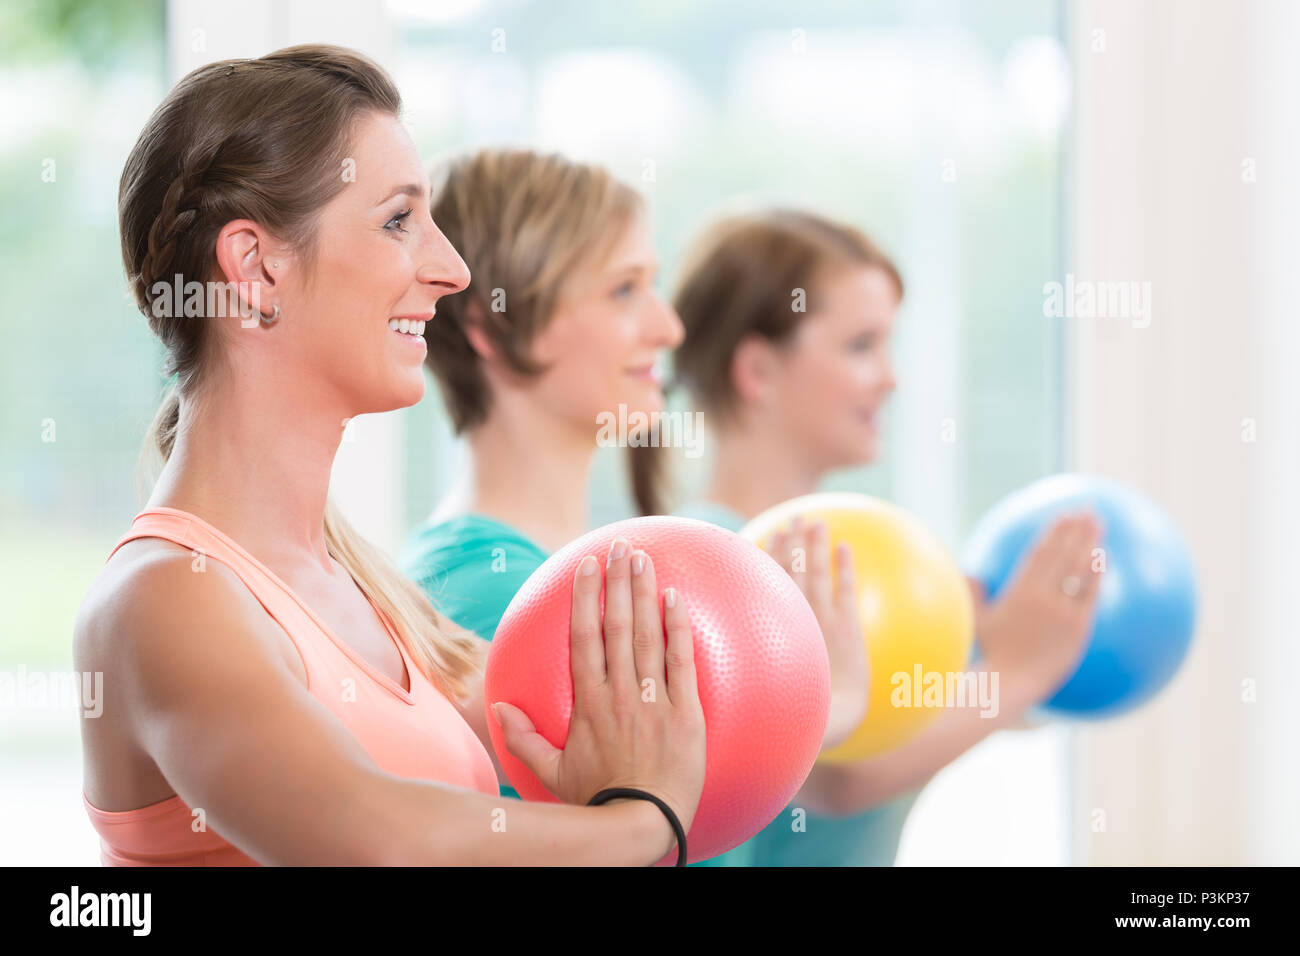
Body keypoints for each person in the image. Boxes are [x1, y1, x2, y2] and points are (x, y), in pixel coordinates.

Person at [73, 45, 705, 866]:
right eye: (398, 220)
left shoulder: (368, 589)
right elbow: (375, 840)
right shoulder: (163, 600)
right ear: (256, 267)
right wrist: (639, 821)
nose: (451, 269)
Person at [400, 151, 869, 865]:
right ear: (490, 328)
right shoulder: (484, 590)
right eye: (624, 291)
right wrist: (825, 706)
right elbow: (662, 811)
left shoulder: (584, 570)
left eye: (654, 286)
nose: (668, 328)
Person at [630, 208, 1103, 865]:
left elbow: (918, 722)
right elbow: (832, 776)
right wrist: (1014, 670)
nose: (890, 377)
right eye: (861, 346)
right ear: (758, 371)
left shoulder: (857, 561)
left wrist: (996, 653)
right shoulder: (718, 563)